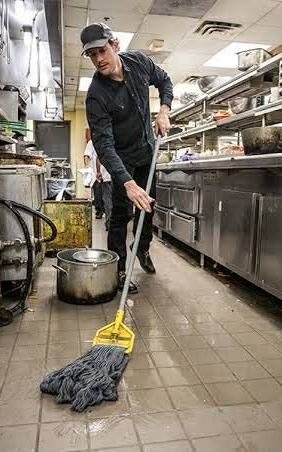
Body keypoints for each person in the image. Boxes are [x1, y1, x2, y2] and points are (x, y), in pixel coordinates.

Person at [82, 22, 173, 293]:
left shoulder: (139, 62)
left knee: (148, 207)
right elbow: (103, 145)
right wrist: (127, 183)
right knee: (120, 216)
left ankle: (142, 248)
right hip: (122, 162)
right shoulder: (96, 95)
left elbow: (165, 80)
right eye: (92, 55)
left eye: (102, 51)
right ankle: (119, 270)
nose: (98, 59)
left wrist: (164, 111)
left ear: (115, 45)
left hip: (147, 152)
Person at [84, 138, 113, 230]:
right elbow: (87, 155)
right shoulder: (92, 142)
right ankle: (100, 212)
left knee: (107, 199)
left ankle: (109, 222)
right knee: (99, 196)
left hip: (106, 175)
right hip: (99, 175)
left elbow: (98, 158)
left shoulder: (110, 139)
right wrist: (88, 167)